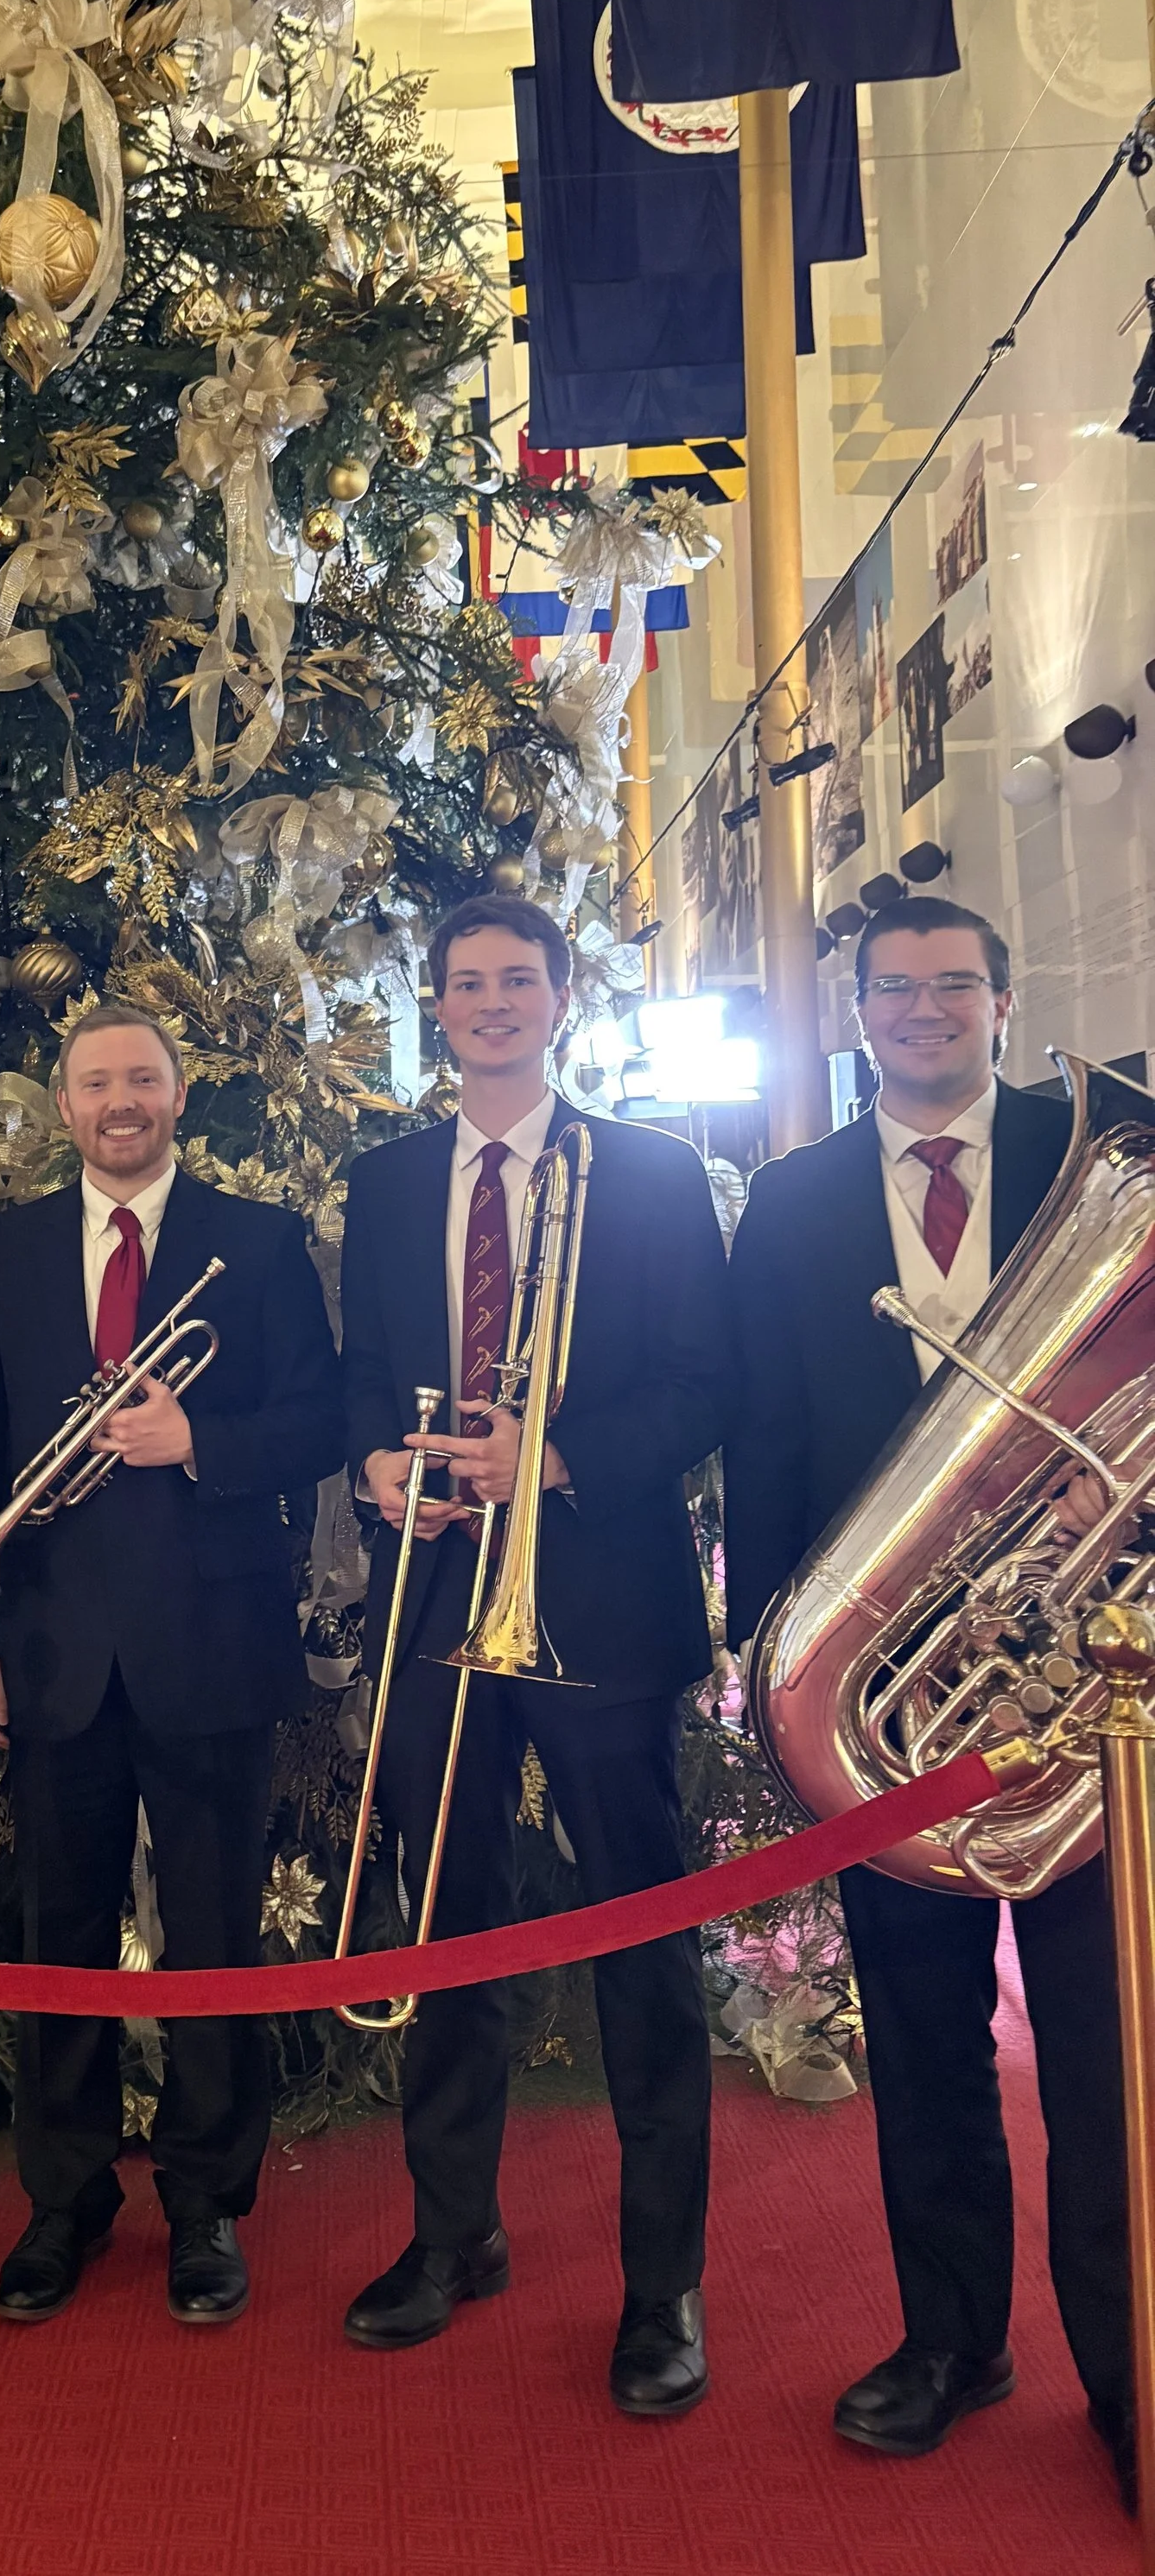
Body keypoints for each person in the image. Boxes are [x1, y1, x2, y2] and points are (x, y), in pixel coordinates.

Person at [724, 895, 1133, 2510]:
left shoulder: (1089, 1156)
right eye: (892, 991)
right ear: (855, 1013)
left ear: (1001, 998)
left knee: (1104, 2052)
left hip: (1089, 1669)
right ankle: (954, 2342)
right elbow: (764, 1444)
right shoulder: (796, 1203)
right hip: (891, 1693)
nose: (920, 1012)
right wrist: (776, 1670)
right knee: (924, 2036)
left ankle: (1130, 2367)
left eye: (951, 985)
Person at [338, 896, 731, 2415]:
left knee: (643, 1943)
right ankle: (453, 2236)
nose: (491, 1002)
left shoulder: (648, 1171)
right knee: (448, 1926)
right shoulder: (382, 1184)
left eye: (518, 980)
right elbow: (369, 1375)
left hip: (603, 1609)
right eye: (466, 983)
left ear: (563, 999)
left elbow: (703, 1384)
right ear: (436, 1006)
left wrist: (552, 1461)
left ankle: (664, 2285)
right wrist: (382, 1465)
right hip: (442, 1601)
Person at [0, 1001, 343, 2328]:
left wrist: (205, 1445)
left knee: (214, 1935)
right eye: (95, 1083)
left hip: (210, 1643)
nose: (120, 1103)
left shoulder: (260, 1241)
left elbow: (320, 1421)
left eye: (143, 1081)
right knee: (55, 1933)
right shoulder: (3, 1253)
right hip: (54, 1647)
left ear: (181, 1096)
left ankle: (206, 2205)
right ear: (61, 1107)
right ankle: (61, 2200)